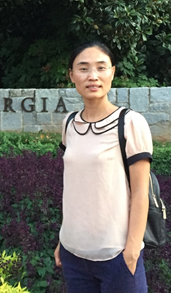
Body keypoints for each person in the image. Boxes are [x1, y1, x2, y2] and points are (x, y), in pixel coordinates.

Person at [54, 41, 152, 293]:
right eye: (83, 68)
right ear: (72, 75)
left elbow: (141, 191)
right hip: (73, 252)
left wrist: (132, 250)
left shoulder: (130, 123)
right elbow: (75, 187)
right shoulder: (69, 124)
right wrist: (64, 238)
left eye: (101, 67)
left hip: (116, 254)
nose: (93, 76)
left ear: (112, 72)